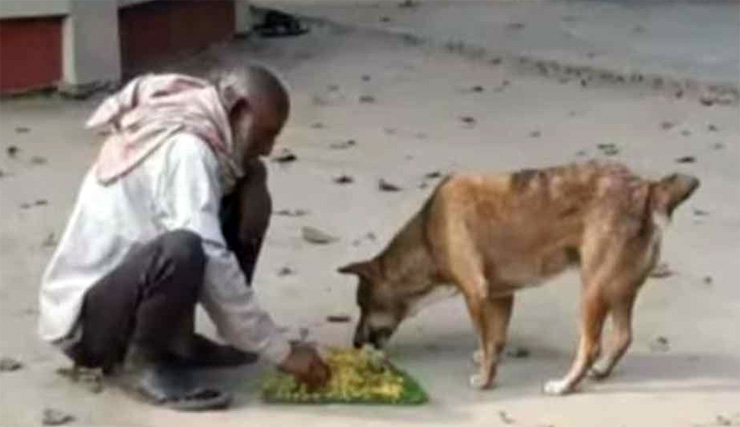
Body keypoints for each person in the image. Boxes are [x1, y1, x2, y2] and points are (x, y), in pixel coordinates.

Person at [38, 66, 330, 410]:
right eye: (264, 134)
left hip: (126, 294)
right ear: (237, 113)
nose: (268, 148)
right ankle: (142, 364)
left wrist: (255, 183)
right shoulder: (187, 149)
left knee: (247, 184)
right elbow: (208, 252)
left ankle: (178, 345)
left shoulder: (207, 126)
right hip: (89, 329)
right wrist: (279, 351)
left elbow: (237, 189)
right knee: (185, 248)